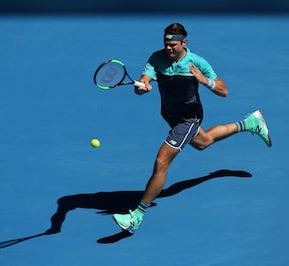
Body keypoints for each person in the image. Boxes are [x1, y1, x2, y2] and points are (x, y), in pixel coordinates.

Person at [112, 22, 272, 233]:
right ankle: (251, 123)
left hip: (189, 118)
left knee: (161, 162)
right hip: (170, 114)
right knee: (203, 142)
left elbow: (224, 91)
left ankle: (137, 216)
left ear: (184, 42)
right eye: (166, 44)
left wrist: (205, 81)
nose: (168, 48)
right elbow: (143, 83)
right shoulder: (156, 58)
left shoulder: (197, 62)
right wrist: (143, 87)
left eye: (173, 45)